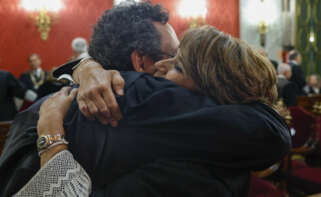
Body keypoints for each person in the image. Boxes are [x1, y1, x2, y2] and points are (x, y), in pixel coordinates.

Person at [1, 2, 290, 196]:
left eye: (179, 63)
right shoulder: (139, 96)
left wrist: (82, 67)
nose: (167, 66)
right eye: (171, 57)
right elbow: (269, 131)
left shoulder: (55, 103)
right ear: (140, 61)